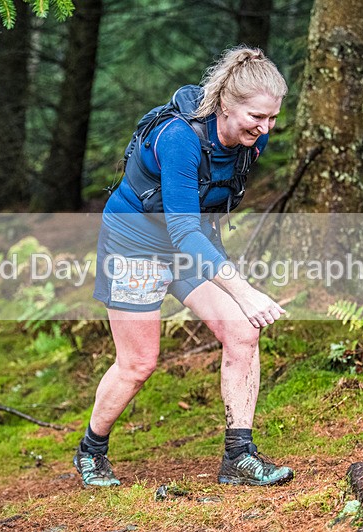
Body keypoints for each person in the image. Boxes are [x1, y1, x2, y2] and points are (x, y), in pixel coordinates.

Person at [75, 46, 293, 488]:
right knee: (138, 363)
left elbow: (195, 228)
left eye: (272, 118)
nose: (266, 128)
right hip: (134, 245)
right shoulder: (179, 139)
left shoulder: (254, 139)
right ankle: (90, 450)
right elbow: (184, 232)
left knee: (242, 331)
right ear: (225, 104)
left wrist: (237, 295)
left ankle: (238, 457)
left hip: (190, 246)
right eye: (257, 116)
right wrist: (245, 290)